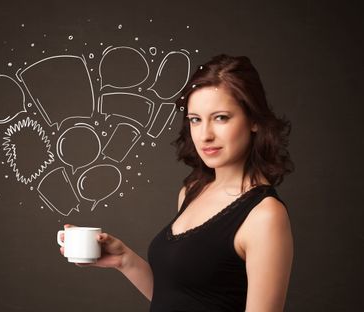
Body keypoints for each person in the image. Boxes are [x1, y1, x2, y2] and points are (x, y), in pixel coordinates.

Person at [59, 54, 294, 312]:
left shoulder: (265, 216)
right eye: (195, 119)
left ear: (254, 121)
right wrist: (124, 260)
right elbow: (177, 298)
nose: (205, 135)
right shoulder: (191, 192)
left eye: (221, 118)